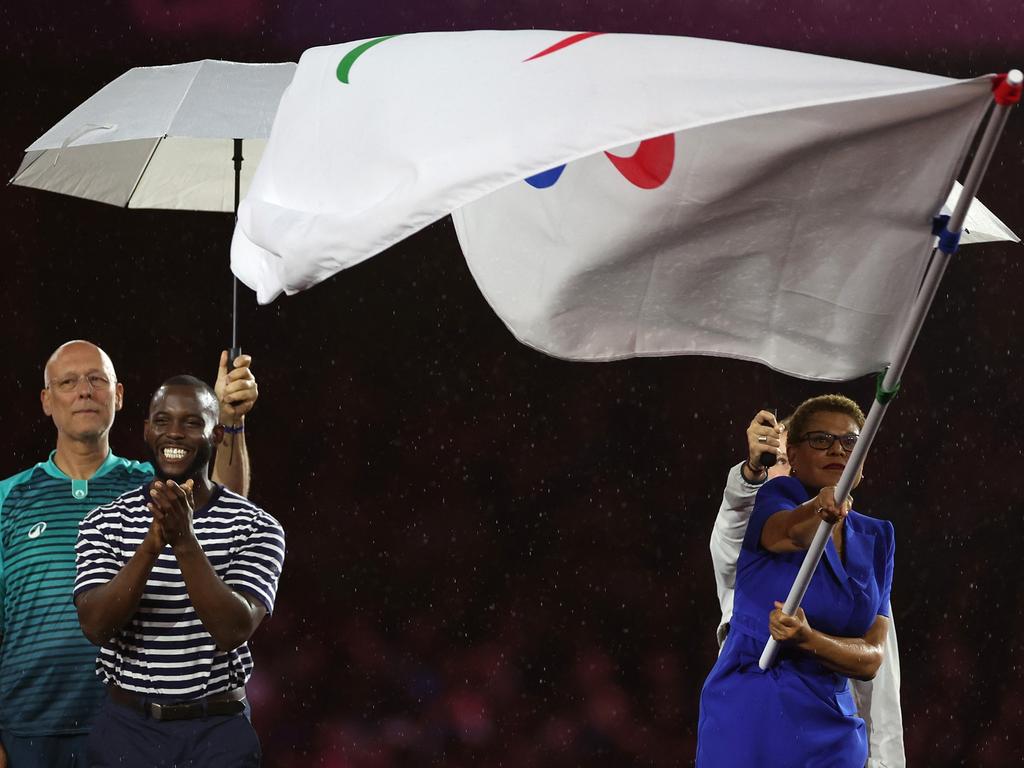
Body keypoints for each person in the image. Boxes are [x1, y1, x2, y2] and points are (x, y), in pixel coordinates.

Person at [0, 341, 257, 768]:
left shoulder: (158, 486)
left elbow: (225, 515)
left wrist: (228, 422)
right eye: (68, 381)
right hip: (28, 730)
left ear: (118, 396)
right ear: (46, 401)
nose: (84, 390)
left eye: (96, 380)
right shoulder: (8, 499)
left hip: (135, 730)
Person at [74, 375, 284, 767]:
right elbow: (95, 626)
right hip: (127, 728)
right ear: (146, 430)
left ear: (217, 433)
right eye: (162, 420)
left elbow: (232, 629)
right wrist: (152, 544)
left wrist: (184, 541)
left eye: (191, 422)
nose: (175, 433)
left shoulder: (257, 526)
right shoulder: (104, 521)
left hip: (217, 731)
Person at [697, 395, 894, 767]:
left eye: (851, 442)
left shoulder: (875, 541)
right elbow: (750, 521)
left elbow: (877, 667)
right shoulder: (763, 508)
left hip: (835, 731)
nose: (837, 450)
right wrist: (756, 471)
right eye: (820, 441)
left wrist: (886, 760)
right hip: (754, 721)